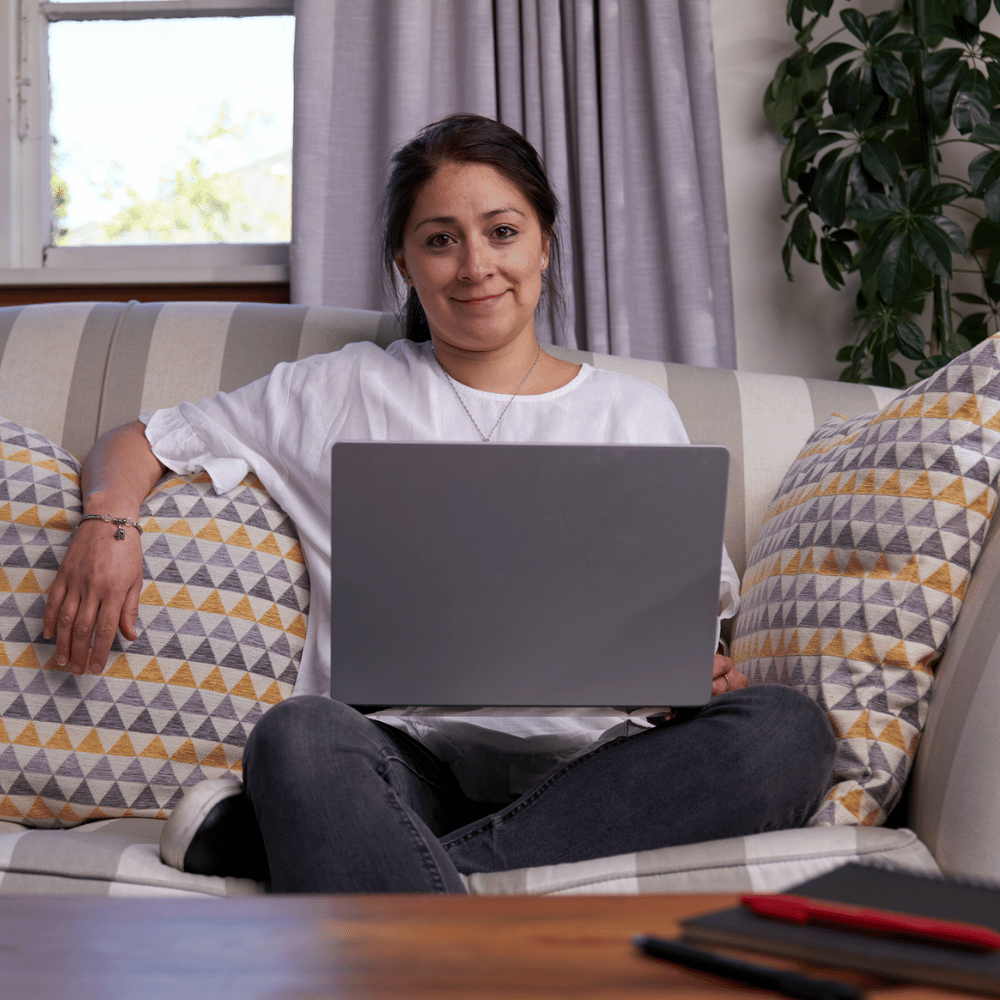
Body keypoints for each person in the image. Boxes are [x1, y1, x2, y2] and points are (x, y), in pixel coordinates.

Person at [43, 114, 835, 893]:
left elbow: (688, 630)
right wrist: (108, 522)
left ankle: (369, 862)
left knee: (786, 733)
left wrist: (692, 674)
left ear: (544, 243)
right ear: (405, 263)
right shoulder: (339, 388)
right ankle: (417, 873)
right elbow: (142, 438)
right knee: (298, 734)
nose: (475, 265)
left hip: (597, 768)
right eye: (440, 238)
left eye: (501, 231)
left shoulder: (635, 413)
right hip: (400, 757)